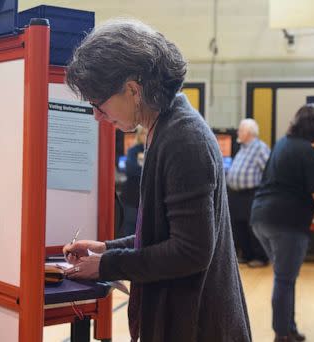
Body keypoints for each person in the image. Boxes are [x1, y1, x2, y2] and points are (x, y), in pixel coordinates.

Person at [62, 19, 251, 342]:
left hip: (197, 326)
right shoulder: (167, 128)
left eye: (98, 103)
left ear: (133, 90)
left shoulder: (183, 138)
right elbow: (163, 232)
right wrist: (106, 248)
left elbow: (191, 251)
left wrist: (107, 265)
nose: (97, 115)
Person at [250, 104, 314, 342]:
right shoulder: (309, 153)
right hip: (287, 223)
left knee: (284, 276)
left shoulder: (283, 144)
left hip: (261, 217)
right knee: (284, 278)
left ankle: (289, 328)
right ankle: (282, 334)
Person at [226, 118, 270, 267]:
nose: (238, 132)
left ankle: (260, 257)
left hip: (252, 194)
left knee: (253, 226)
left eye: (241, 130)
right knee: (239, 225)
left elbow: (268, 171)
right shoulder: (242, 148)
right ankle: (246, 254)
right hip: (236, 194)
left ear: (250, 132)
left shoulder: (260, 148)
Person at [121, 127, 147, 237]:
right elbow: (130, 169)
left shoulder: (155, 150)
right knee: (130, 230)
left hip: (146, 200)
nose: (146, 137)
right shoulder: (133, 150)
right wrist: (146, 170)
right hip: (132, 198)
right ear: (139, 135)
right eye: (143, 134)